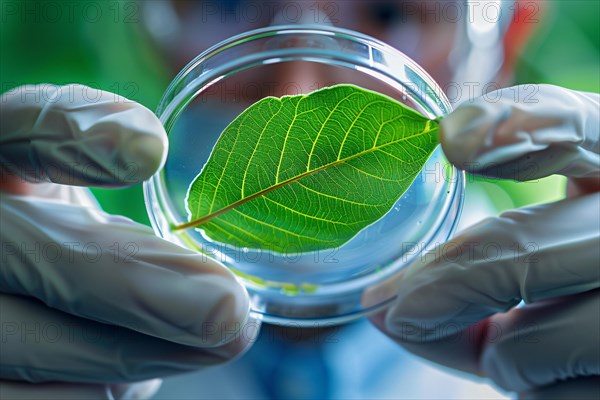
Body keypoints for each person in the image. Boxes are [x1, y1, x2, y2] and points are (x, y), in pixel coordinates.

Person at [1, 1, 598, 399]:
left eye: (390, 10)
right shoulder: (70, 325)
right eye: (227, 2)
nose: (296, 87)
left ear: (509, 32)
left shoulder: (556, 348)